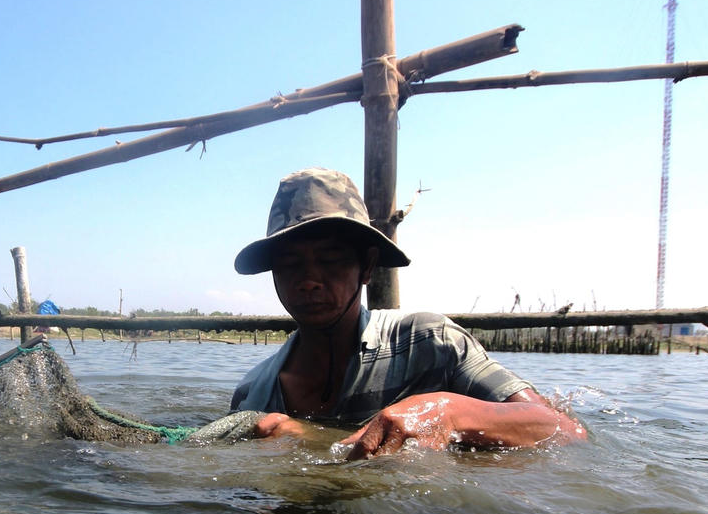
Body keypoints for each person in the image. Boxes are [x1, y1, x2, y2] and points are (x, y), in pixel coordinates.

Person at [231, 167, 586, 459]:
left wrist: (446, 411)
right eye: (290, 264)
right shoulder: (252, 396)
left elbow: (562, 428)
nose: (309, 281)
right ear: (273, 274)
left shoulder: (431, 343)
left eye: (330, 259)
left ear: (367, 267)